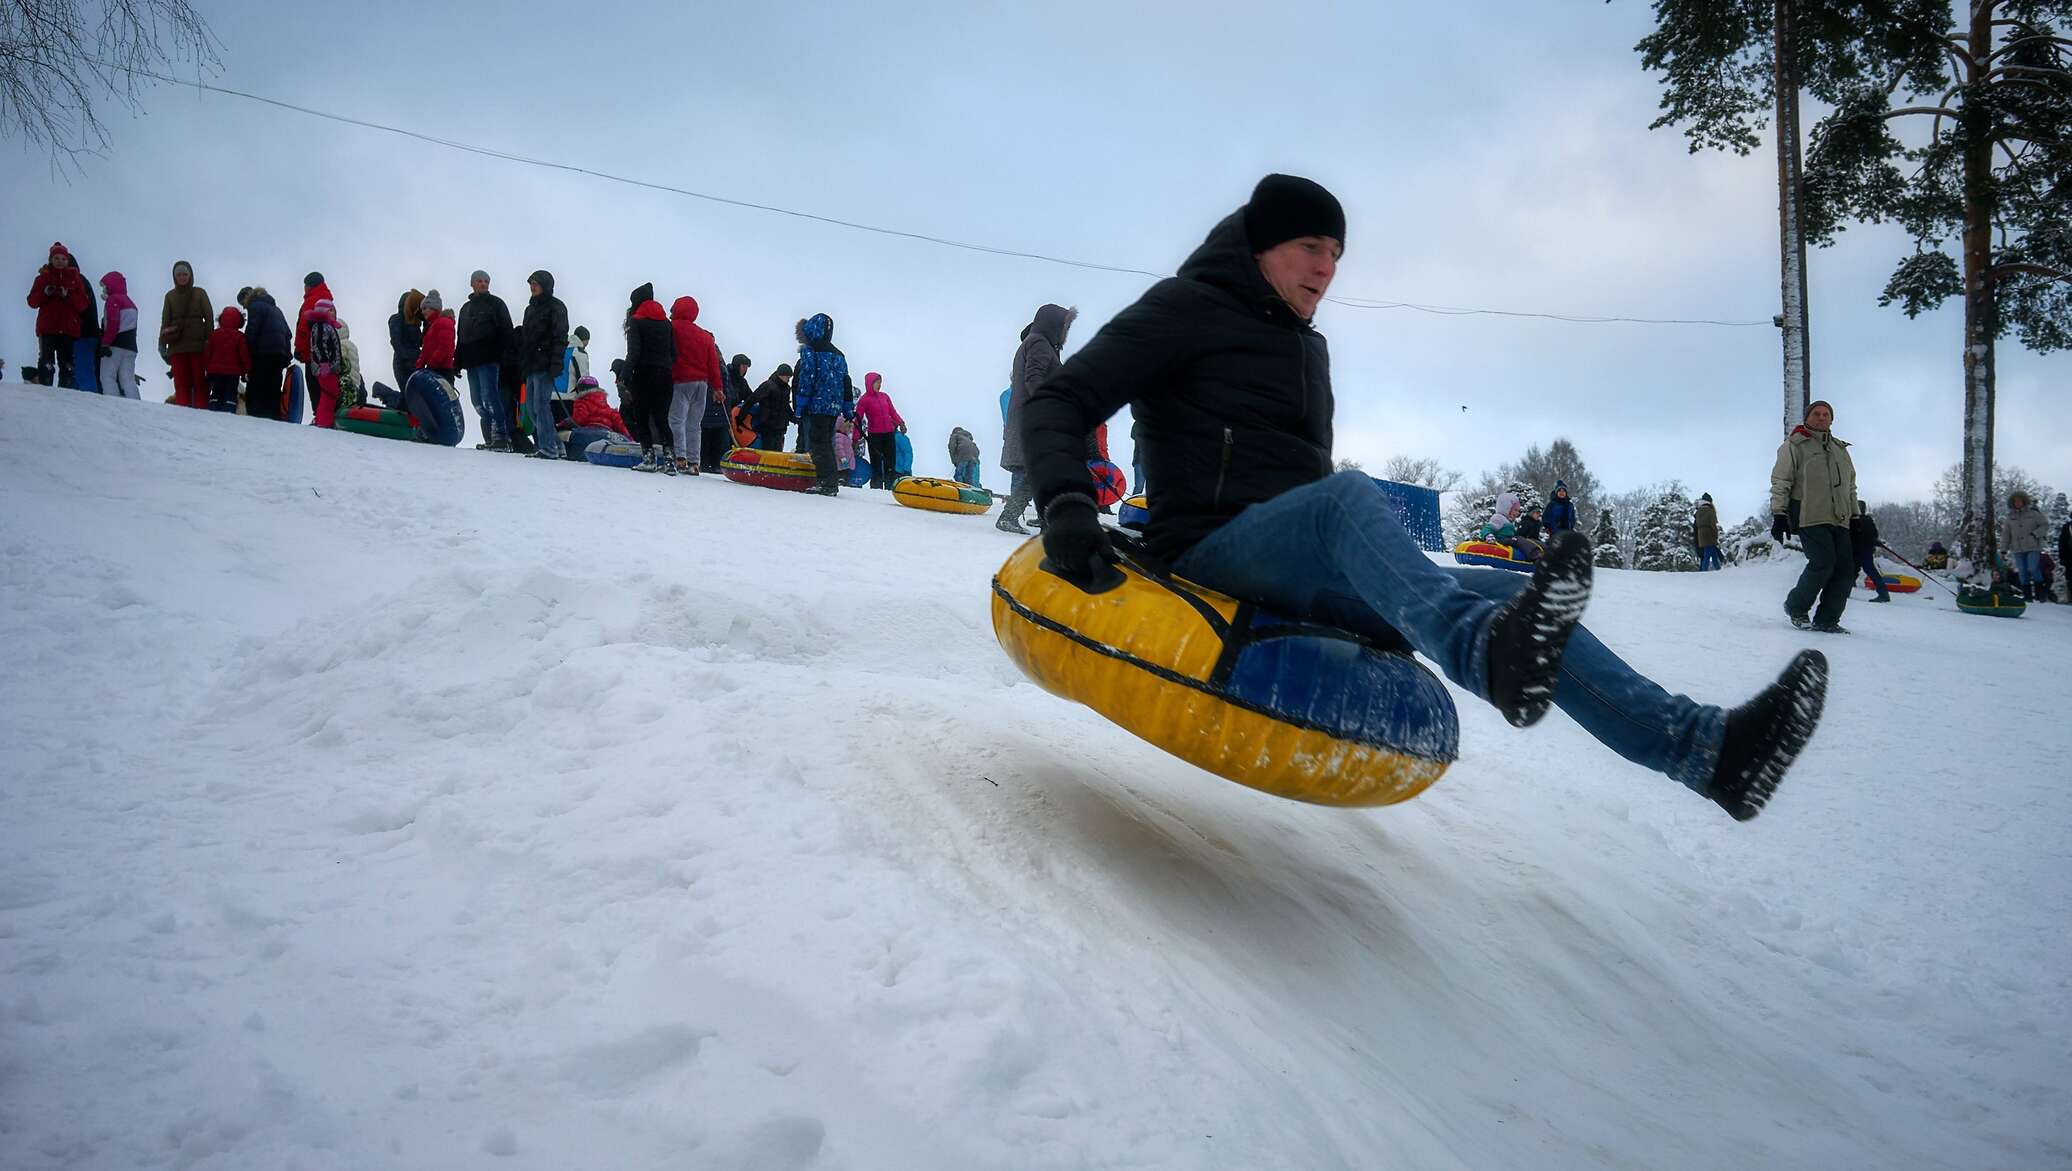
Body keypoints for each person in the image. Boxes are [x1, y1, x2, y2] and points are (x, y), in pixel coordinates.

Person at [1020, 173, 1826, 823]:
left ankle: (1707, 751)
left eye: (1336, 253)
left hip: (1293, 565)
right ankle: (1481, 651)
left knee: (1515, 591)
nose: (1326, 269)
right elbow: (1062, 398)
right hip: (1209, 547)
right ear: (1263, 247)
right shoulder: (1184, 308)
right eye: (1310, 247)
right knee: (1348, 500)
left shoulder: (1305, 346)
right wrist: (1064, 502)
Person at [1769, 400, 1858, 633]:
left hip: (1839, 518)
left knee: (1845, 570)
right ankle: (1796, 607)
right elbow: (1781, 480)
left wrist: (1856, 516)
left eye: (1826, 414)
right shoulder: (1795, 445)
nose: (1821, 417)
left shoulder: (1840, 450)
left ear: (1832, 419)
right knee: (1823, 562)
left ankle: (1827, 619)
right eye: (1816, 414)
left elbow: (1850, 487)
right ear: (1807, 418)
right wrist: (1779, 513)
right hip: (1809, 515)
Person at [1000, 303, 1076, 533]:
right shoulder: (1039, 343)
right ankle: (1013, 516)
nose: (1066, 332)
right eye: (1064, 326)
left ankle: (1044, 520)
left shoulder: (1037, 343)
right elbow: (1034, 378)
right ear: (1053, 324)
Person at [793, 314, 854, 495]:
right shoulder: (839, 354)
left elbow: (807, 377)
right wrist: (847, 406)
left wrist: (801, 403)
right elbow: (846, 381)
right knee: (828, 442)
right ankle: (830, 480)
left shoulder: (811, 351)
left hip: (818, 404)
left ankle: (827, 483)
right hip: (834, 406)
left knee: (818, 442)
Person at [457, 270, 515, 451]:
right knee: (477, 402)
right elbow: (461, 336)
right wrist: (457, 362)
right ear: (472, 283)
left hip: (490, 359)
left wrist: (504, 356)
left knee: (490, 398)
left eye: (486, 281)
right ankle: (491, 439)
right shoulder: (465, 309)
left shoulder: (496, 304)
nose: (483, 284)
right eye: (480, 281)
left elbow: (507, 331)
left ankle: (501, 438)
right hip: (471, 361)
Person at [667, 295, 722, 475]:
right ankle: (694, 462)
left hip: (681, 381)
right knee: (694, 424)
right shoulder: (705, 336)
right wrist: (718, 388)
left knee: (677, 420)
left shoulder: (672, 328)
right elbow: (713, 363)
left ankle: (680, 457)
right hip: (702, 384)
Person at [518, 270, 570, 460]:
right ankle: (557, 445)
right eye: (531, 283)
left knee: (541, 406)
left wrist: (556, 363)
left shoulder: (556, 307)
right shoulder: (529, 309)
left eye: (536, 283)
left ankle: (548, 447)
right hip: (531, 364)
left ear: (545, 286)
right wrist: (522, 364)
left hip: (545, 364)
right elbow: (526, 340)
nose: (532, 287)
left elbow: (560, 337)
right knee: (531, 408)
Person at [626, 290, 677, 472]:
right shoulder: (666, 323)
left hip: (643, 373)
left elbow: (633, 353)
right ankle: (671, 462)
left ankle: (649, 458)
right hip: (665, 375)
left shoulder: (636, 321)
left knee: (641, 417)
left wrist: (625, 375)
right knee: (662, 419)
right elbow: (674, 354)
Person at [26, 242, 90, 389]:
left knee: (67, 363)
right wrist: (45, 293)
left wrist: (68, 294)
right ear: (51, 260)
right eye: (56, 258)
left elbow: (83, 303)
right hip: (48, 327)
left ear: (68, 261)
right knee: (46, 361)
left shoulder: (75, 279)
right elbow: (32, 301)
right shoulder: (42, 278)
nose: (60, 261)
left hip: (68, 328)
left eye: (63, 259)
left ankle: (65, 393)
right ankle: (45, 390)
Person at [160, 260, 213, 409]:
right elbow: (165, 321)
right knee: (181, 382)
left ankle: (201, 410)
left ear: (190, 275)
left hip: (198, 346)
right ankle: (183, 412)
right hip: (177, 347)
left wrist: (209, 340)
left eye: (185, 274)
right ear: (174, 277)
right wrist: (162, 344)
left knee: (199, 381)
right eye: (179, 275)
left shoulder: (200, 292)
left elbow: (209, 317)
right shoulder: (169, 296)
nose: (182, 277)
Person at [240, 287, 293, 421]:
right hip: (279, 354)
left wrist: (247, 355)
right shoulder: (276, 309)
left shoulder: (255, 306)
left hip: (263, 353)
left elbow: (252, 331)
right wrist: (287, 356)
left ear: (246, 299)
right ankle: (273, 418)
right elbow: (288, 333)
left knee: (256, 388)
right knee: (273, 388)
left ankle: (255, 419)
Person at [856, 372, 906, 488]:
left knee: (890, 462)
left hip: (888, 433)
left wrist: (901, 423)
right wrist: (856, 436)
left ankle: (890, 487)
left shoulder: (885, 396)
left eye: (880, 383)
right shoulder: (864, 399)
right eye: (877, 383)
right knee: (876, 463)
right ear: (870, 383)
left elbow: (892, 412)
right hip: (874, 435)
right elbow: (858, 418)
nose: (879, 385)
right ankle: (876, 487)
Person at [96, 270, 141, 400]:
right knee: (127, 378)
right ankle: (136, 405)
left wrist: (105, 344)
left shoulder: (113, 300)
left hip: (114, 344)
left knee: (107, 375)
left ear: (110, 285)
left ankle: (113, 403)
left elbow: (112, 323)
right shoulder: (131, 303)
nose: (104, 289)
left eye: (105, 286)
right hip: (131, 346)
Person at [2003, 490, 2050, 602]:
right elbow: (2006, 534)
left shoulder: (2034, 514)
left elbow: (2045, 525)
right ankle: (2027, 596)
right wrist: (2003, 549)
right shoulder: (2010, 517)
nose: (2017, 503)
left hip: (2033, 546)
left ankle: (2040, 593)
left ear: (2024, 501)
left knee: (2033, 568)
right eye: (2015, 501)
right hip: (2017, 548)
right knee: (2022, 572)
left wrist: (2035, 534)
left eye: (2019, 501)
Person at [202, 305, 250, 412]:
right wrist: (247, 370)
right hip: (233, 373)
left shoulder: (214, 334)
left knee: (216, 392)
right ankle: (228, 412)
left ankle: (212, 410)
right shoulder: (240, 336)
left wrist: (205, 368)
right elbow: (244, 355)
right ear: (239, 321)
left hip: (215, 371)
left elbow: (208, 352)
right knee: (230, 394)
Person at [305, 297, 345, 428]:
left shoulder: (328, 326)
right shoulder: (321, 326)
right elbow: (319, 346)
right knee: (330, 394)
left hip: (331, 368)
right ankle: (323, 421)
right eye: (331, 310)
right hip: (326, 368)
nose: (334, 313)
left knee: (330, 395)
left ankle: (324, 420)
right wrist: (324, 363)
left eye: (334, 310)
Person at [712, 353, 753, 471]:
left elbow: (750, 396)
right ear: (737, 365)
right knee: (723, 440)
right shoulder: (726, 376)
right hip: (722, 412)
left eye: (747, 367)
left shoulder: (742, 382)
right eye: (743, 366)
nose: (745, 369)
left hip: (733, 417)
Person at [750, 363, 795, 452]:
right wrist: (740, 417)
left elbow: (786, 406)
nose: (789, 379)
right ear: (781, 375)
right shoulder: (768, 385)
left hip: (780, 427)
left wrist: (793, 418)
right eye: (788, 377)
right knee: (768, 450)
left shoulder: (786, 389)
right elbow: (752, 399)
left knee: (777, 450)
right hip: (768, 426)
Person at [1850, 501, 1889, 602]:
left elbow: (1851, 536)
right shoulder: (1868, 520)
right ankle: (1883, 593)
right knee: (1857, 571)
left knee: (1857, 571)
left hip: (1858, 551)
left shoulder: (1853, 520)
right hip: (1865, 550)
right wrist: (1874, 542)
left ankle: (1884, 594)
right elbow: (1874, 534)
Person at [415, 290, 457, 383]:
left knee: (443, 396)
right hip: (434, 371)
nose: (423, 311)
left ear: (434, 308)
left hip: (443, 371)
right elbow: (426, 349)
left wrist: (431, 365)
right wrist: (419, 366)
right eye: (422, 309)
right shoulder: (431, 326)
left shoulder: (444, 322)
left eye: (425, 308)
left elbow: (445, 346)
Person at [389, 290, 425, 391]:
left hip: (416, 361)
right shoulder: (397, 319)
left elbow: (421, 341)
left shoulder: (415, 322)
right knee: (409, 393)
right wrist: (406, 360)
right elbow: (396, 342)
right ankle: (382, 391)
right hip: (403, 363)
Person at [1694, 492, 1723, 571]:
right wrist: (1715, 534)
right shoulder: (1710, 510)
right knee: (1707, 552)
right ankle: (1704, 570)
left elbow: (1696, 524)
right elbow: (1712, 524)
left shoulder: (1698, 511)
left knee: (1712, 551)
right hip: (1709, 532)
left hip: (1700, 533)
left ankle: (1718, 568)